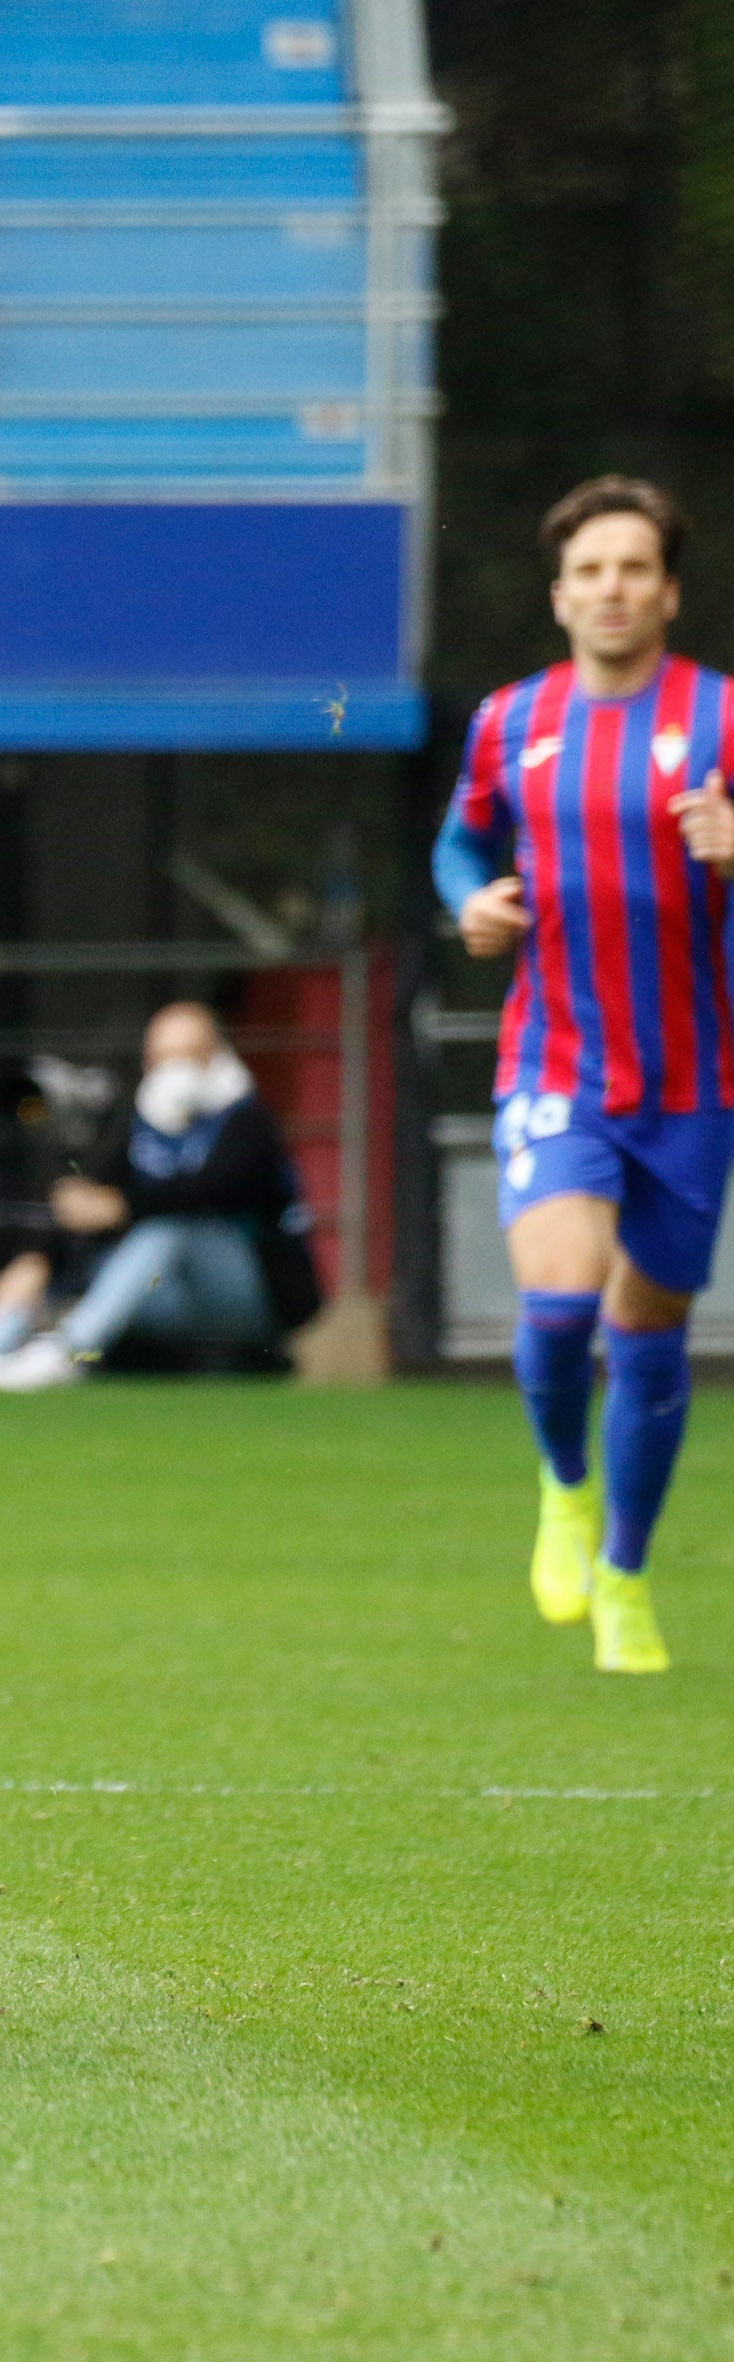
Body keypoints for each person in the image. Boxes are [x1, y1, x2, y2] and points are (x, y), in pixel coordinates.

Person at [434, 474, 734, 1678]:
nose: (613, 588)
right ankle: (564, 1484)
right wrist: (474, 900)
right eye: (591, 570)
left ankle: (623, 1567)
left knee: (649, 1334)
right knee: (558, 1311)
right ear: (561, 595)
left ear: (668, 590)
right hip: (555, 1060)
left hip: (694, 1079)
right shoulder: (512, 721)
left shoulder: (720, 717)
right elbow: (463, 836)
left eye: (634, 568)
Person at [0, 1002, 323, 1392]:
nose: (172, 1071)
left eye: (185, 1057)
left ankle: (68, 1354)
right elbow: (88, 1193)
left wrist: (123, 1207)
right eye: (161, 1058)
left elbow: (208, 1191)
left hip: (252, 1297)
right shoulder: (137, 1116)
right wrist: (37, 1259)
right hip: (170, 1295)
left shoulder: (247, 1120)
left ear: (214, 1056)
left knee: (168, 1229)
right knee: (79, 1256)